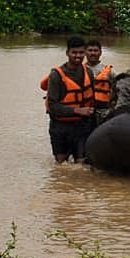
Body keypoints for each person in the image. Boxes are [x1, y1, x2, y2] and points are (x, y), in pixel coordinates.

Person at [45, 35, 95, 163]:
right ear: (67, 53)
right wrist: (77, 110)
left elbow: (92, 99)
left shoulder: (88, 72)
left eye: (81, 52)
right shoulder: (56, 76)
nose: (78, 56)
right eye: (74, 52)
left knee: (81, 165)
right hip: (60, 127)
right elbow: (53, 106)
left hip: (82, 126)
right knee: (61, 165)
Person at [84, 37, 113, 113]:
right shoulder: (79, 70)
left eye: (95, 50)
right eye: (90, 50)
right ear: (85, 52)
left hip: (103, 111)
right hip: (84, 110)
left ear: (100, 52)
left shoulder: (109, 72)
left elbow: (117, 92)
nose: (93, 53)